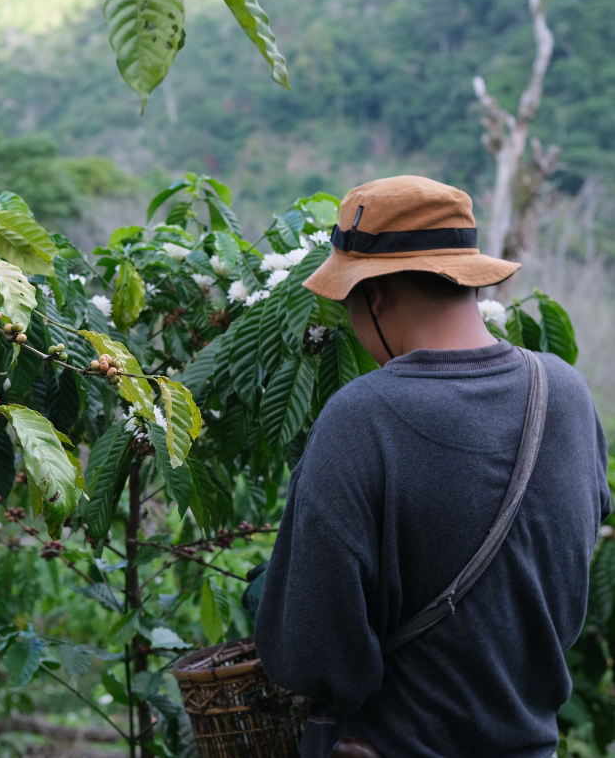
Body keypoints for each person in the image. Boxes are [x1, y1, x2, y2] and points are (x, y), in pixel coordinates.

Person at [254, 175, 610, 757]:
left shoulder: (361, 418)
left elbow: (312, 658)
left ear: (377, 294)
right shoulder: (566, 393)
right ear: (465, 280)